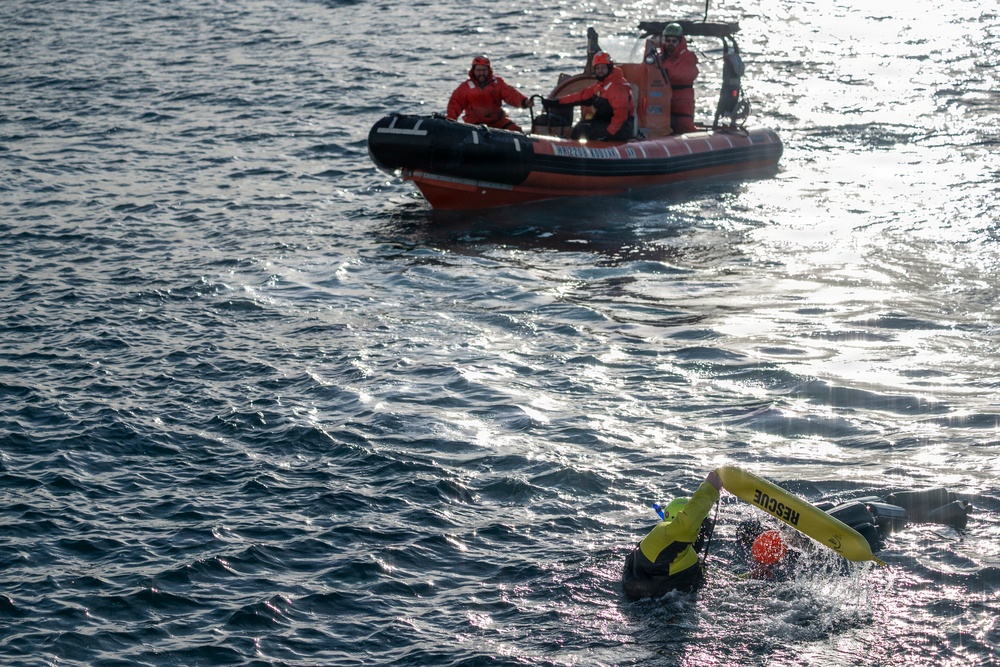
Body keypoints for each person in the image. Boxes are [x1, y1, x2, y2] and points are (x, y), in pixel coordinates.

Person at [622, 470, 722, 600]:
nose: (701, 533)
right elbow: (686, 523)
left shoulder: (680, 552)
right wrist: (710, 487)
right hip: (655, 610)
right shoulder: (664, 534)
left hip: (666, 603)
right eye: (700, 526)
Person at [542, 51, 635, 142]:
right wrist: (555, 102)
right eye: (597, 68)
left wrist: (608, 134)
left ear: (609, 68)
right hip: (605, 124)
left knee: (583, 130)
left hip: (618, 130)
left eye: (603, 68)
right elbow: (579, 97)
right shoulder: (600, 86)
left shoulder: (618, 87)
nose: (600, 71)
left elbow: (621, 115)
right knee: (581, 127)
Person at [446, 55, 533, 132]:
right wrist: (451, 121)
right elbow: (455, 104)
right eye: (478, 70)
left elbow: (510, 94)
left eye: (484, 70)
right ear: (473, 71)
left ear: (489, 70)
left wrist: (524, 102)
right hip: (475, 124)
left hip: (498, 121)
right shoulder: (465, 87)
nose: (481, 73)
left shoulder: (498, 83)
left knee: (515, 130)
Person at [658, 23, 699, 134]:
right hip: (662, 100)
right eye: (668, 41)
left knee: (684, 126)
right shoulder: (659, 58)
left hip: (682, 103)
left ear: (680, 42)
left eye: (674, 41)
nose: (670, 44)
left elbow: (685, 74)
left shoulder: (687, 57)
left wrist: (664, 72)